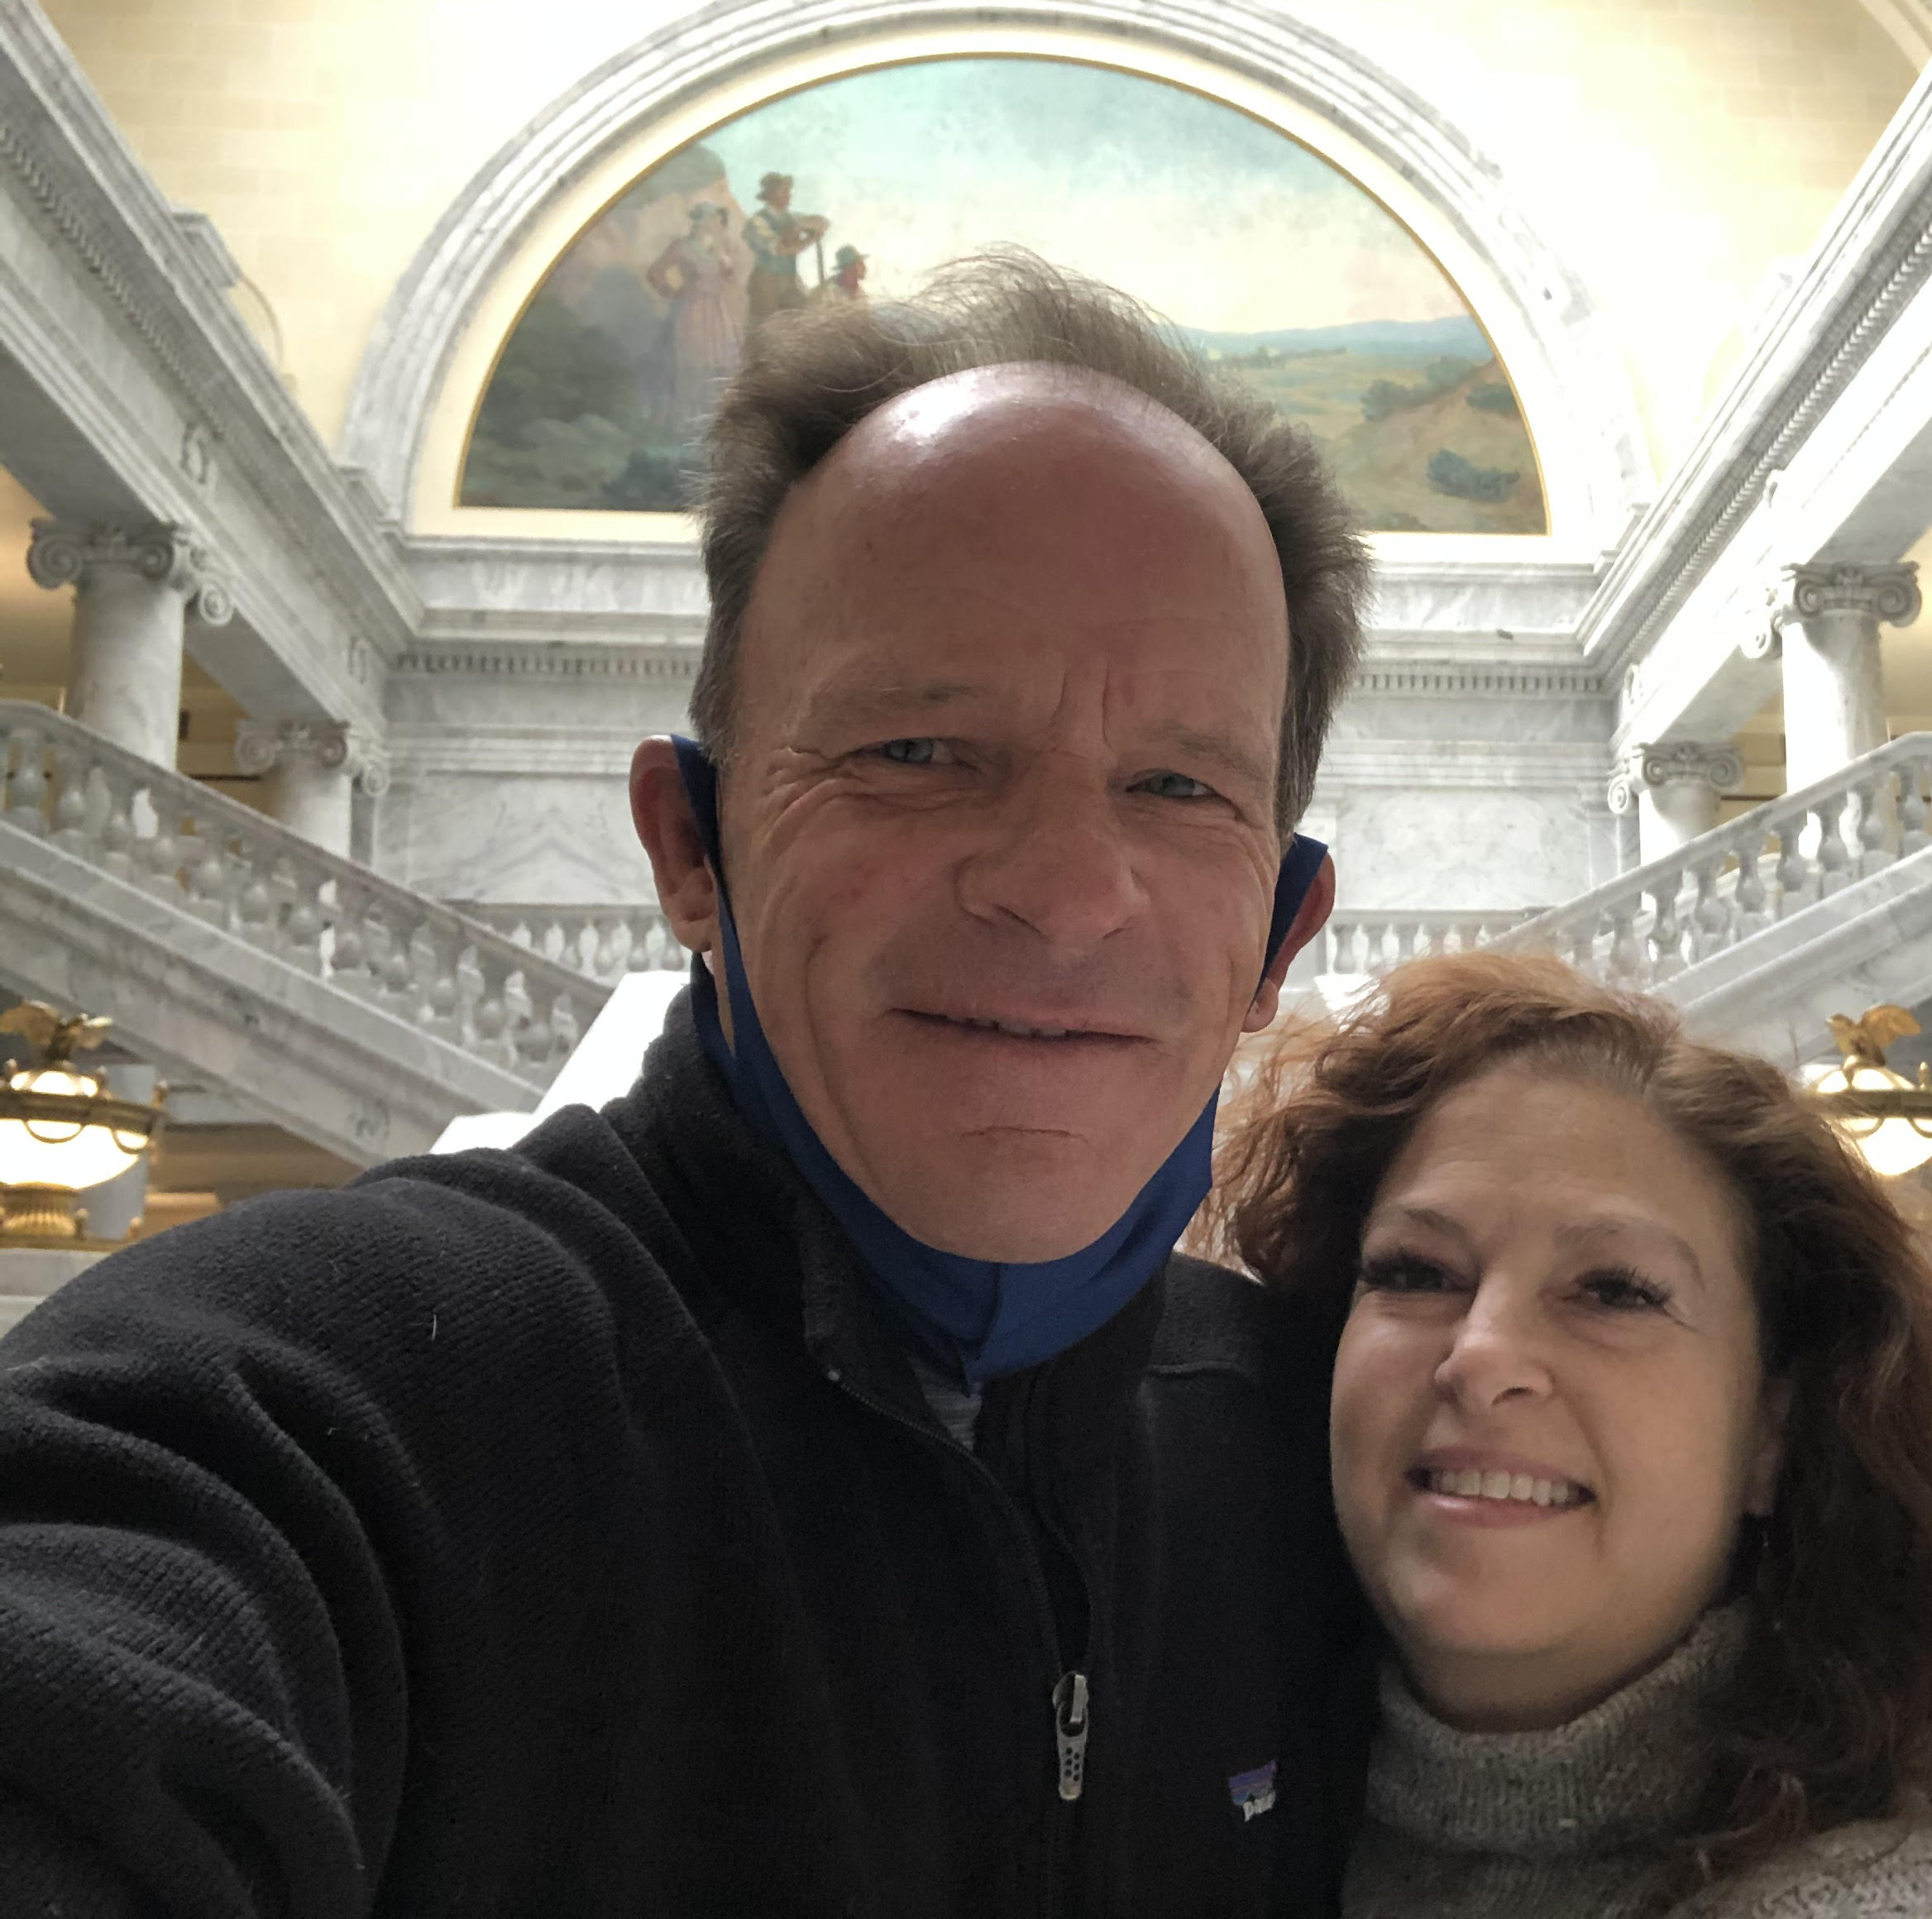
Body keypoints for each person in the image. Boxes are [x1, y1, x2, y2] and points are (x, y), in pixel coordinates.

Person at [0, 253, 1374, 1915]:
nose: (1064, 885)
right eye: (917, 752)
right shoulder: (319, 1397)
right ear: (689, 848)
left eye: (1175, 782)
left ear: (1278, 933)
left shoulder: (1327, 1462)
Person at [1208, 952, 1932, 1919]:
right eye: (1414, 1271)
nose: (1481, 1355)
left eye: (1614, 1290)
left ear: (1771, 1432)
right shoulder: (1192, 1799)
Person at [640, 202, 745, 435]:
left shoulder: (715, 247)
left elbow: (729, 276)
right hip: (693, 310)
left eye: (717, 220)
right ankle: (686, 423)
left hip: (717, 311)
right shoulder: (682, 246)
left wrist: (724, 260)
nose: (717, 224)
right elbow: (655, 272)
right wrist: (670, 291)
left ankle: (716, 420)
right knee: (693, 361)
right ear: (702, 221)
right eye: (713, 219)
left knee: (721, 361)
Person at [742, 170, 828, 328]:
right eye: (784, 191)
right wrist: (806, 236)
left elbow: (822, 222)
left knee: (803, 320)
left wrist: (808, 229)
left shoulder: (792, 217)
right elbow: (779, 249)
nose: (789, 196)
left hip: (789, 282)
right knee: (766, 328)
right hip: (766, 283)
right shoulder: (756, 222)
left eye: (789, 191)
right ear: (771, 194)